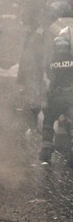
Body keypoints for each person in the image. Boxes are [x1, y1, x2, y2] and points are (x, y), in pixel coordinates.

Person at [16, 0, 52, 129]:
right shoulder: (37, 2)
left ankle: (35, 109)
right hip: (36, 44)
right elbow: (26, 20)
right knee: (34, 77)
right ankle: (34, 111)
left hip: (40, 44)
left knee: (35, 77)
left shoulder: (41, 3)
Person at [39, 34, 73, 164]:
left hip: (55, 98)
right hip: (71, 97)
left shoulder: (51, 61)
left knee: (48, 122)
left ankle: (46, 152)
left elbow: (47, 80)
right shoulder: (72, 58)